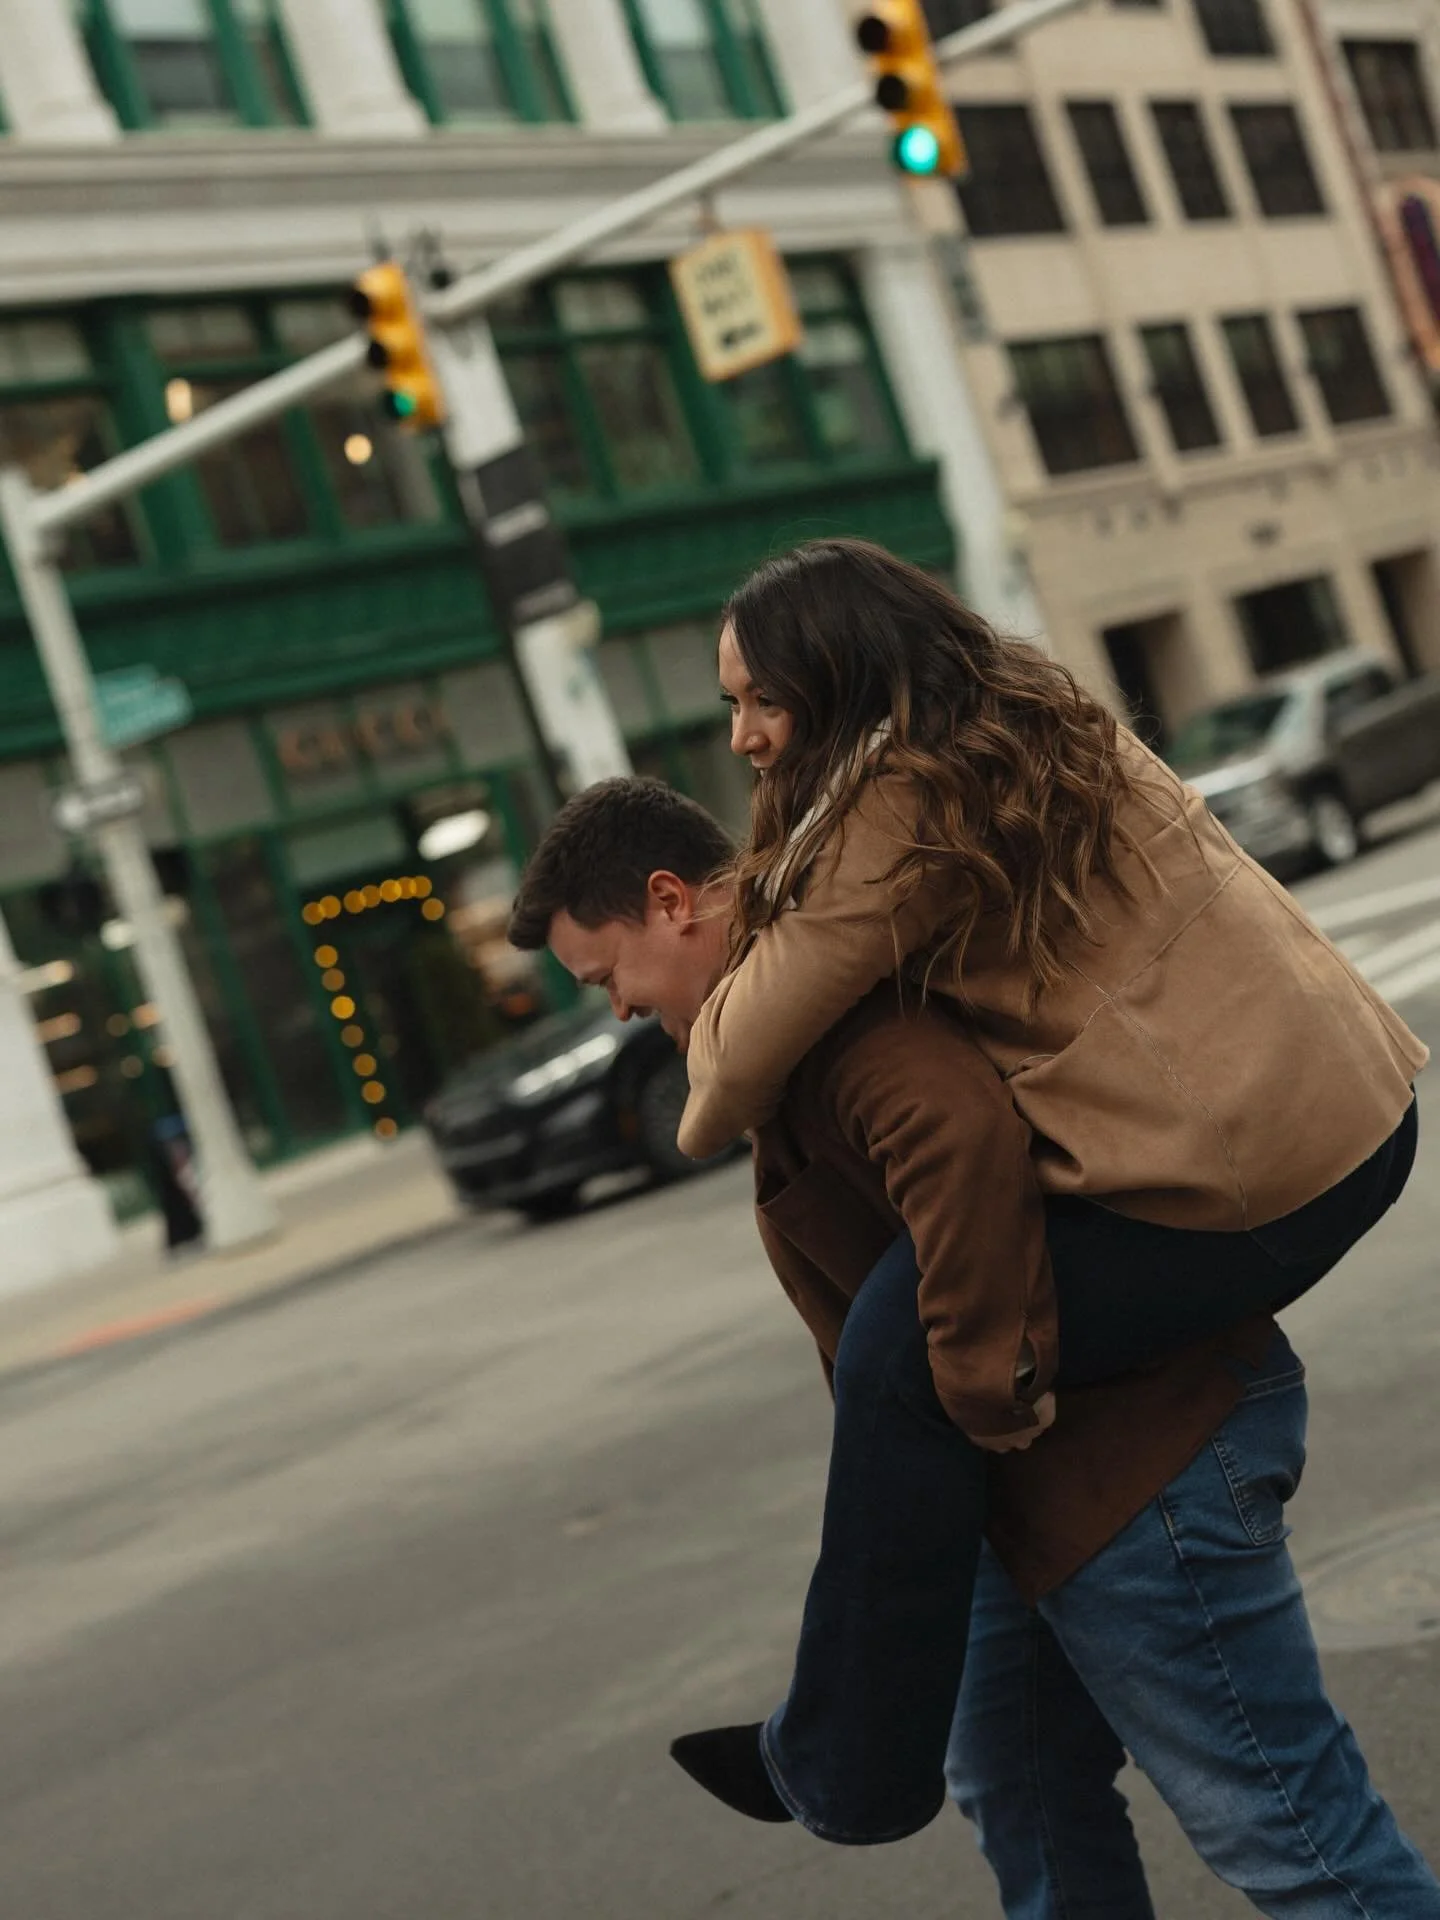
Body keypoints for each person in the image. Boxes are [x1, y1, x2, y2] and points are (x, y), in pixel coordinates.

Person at [506, 778, 1439, 1915]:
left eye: (608, 976)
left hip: (1138, 1468)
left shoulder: (827, 1004)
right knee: (1019, 1785)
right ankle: (839, 1754)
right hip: (1008, 1488)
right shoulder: (776, 1016)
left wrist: (977, 1383)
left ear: (670, 902)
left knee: (1291, 1835)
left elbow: (955, 1137)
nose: (613, 1010)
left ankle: (832, 1754)